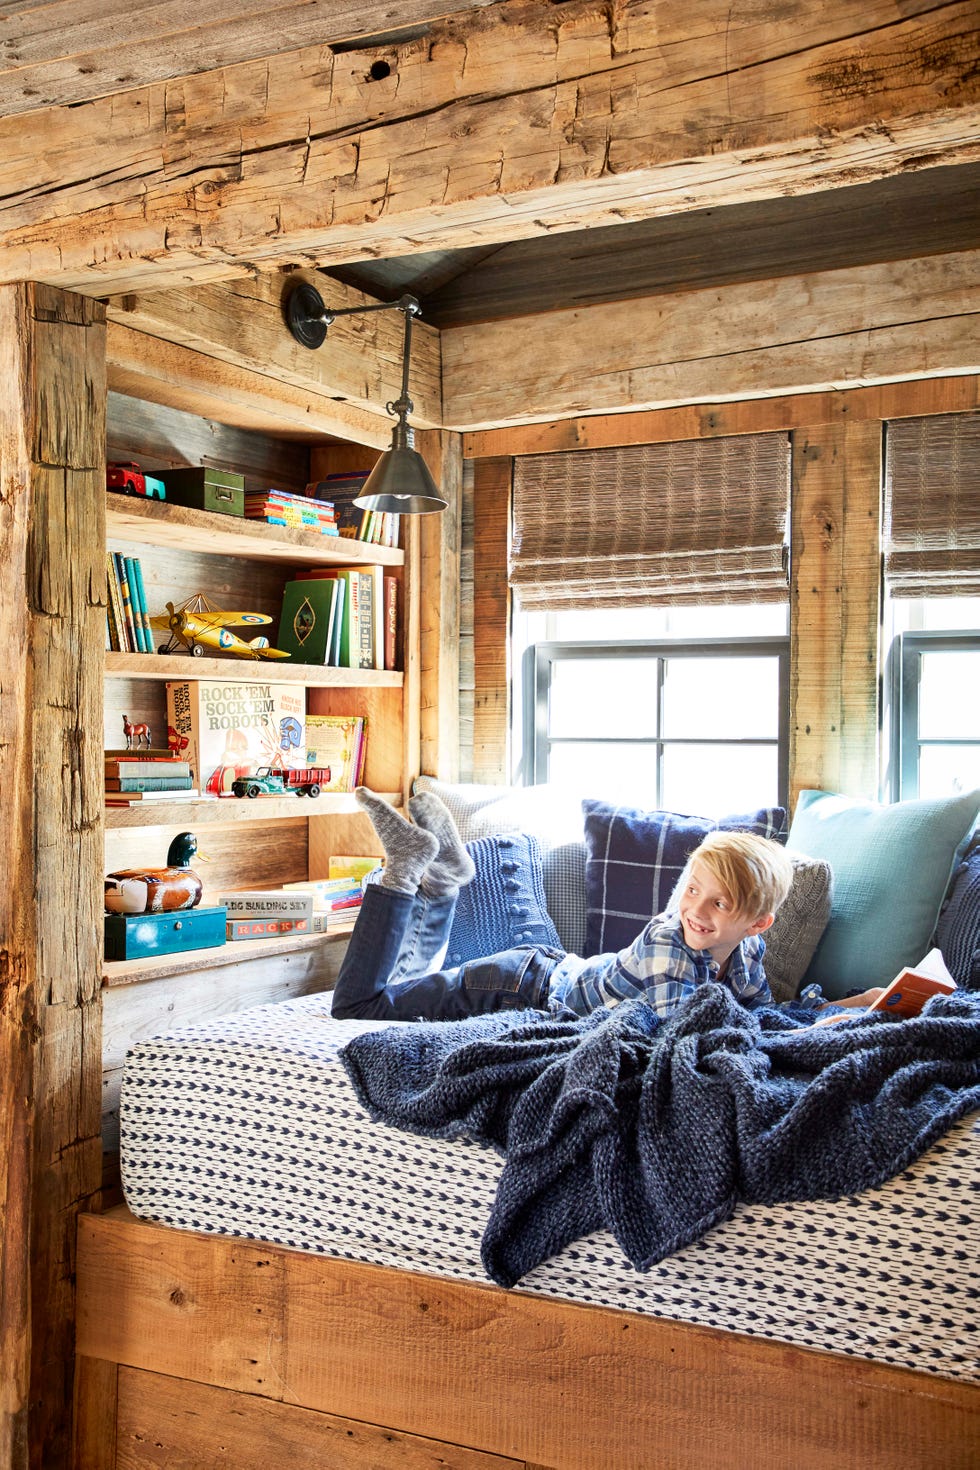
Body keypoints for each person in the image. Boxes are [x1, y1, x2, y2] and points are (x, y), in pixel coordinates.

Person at [331, 788, 881, 1023]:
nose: (697, 910)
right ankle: (403, 873)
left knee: (400, 995)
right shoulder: (671, 945)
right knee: (359, 1010)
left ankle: (444, 879)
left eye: (720, 904)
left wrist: (846, 1008)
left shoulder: (748, 953)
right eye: (692, 890)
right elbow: (684, 1035)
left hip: (544, 970)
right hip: (519, 985)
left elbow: (759, 1020)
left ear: (757, 923)